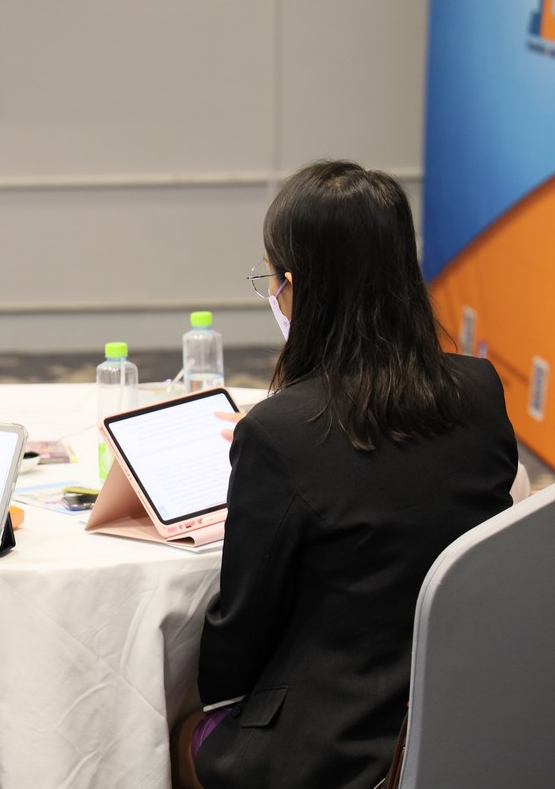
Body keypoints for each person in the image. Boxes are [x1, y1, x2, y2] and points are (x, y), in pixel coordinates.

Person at [187, 160, 519, 789]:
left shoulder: (281, 433)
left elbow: (242, 629)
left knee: (177, 733)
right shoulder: (480, 388)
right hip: (467, 716)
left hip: (339, 749)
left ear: (295, 288)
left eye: (271, 279)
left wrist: (277, 438)